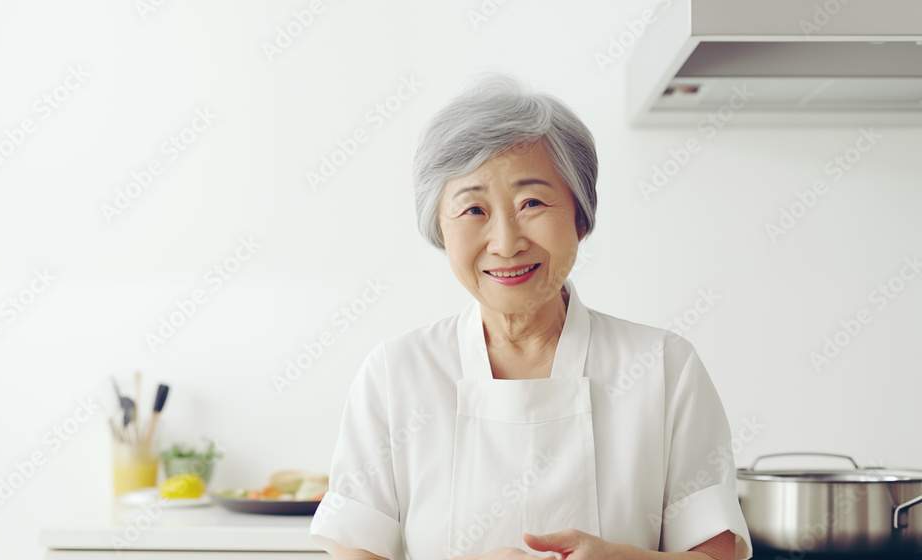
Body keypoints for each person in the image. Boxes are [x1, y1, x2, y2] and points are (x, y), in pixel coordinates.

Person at [309, 74, 752, 560]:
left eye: (532, 203)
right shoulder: (395, 374)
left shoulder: (664, 367)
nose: (505, 242)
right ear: (440, 227)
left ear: (581, 217)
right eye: (473, 209)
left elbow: (715, 553)